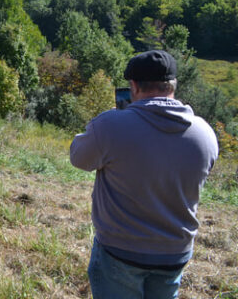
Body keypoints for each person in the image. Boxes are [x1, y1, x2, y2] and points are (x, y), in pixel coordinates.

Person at [70, 50, 219, 299]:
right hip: (175, 252)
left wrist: (107, 121)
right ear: (173, 86)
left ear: (134, 86)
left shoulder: (110, 126)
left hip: (120, 250)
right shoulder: (205, 133)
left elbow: (78, 158)